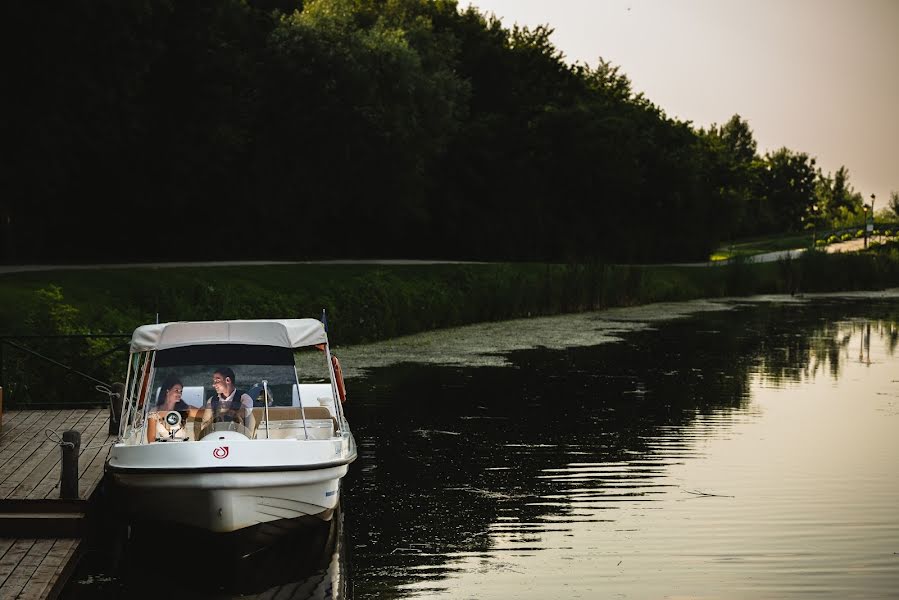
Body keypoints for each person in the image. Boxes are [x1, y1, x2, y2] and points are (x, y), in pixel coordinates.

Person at [148, 375, 191, 442]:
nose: (179, 394)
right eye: (176, 390)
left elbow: (203, 413)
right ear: (167, 391)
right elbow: (151, 440)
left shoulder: (184, 409)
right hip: (164, 449)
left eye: (181, 391)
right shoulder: (154, 412)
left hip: (182, 448)